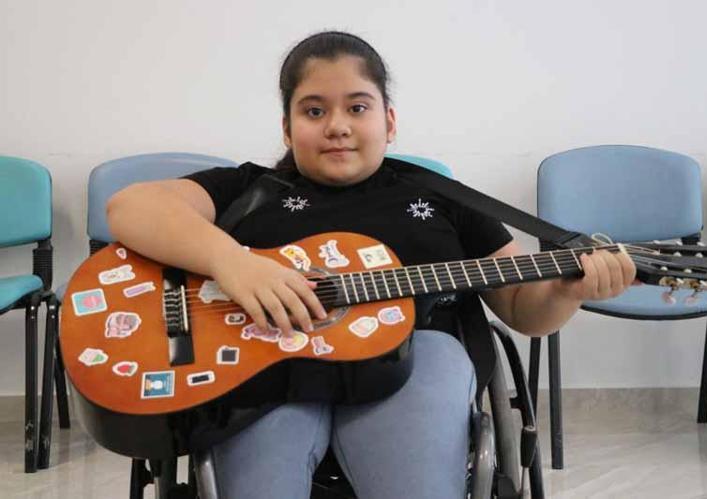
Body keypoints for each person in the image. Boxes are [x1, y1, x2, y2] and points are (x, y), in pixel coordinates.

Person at [107, 31, 636, 499]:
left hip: (416, 361)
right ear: (287, 129)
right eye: (314, 111)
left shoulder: (444, 199)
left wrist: (566, 291)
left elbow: (523, 309)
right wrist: (234, 264)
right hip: (265, 358)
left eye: (357, 108)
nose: (337, 126)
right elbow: (129, 207)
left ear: (390, 120)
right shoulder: (247, 190)